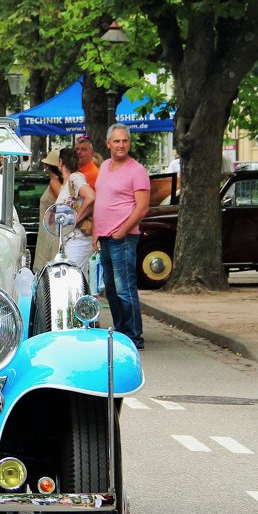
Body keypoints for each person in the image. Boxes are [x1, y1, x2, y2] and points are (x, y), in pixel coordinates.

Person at [93, 124, 150, 350]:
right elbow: (100, 200)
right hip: (105, 236)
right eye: (116, 141)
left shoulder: (137, 170)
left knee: (125, 287)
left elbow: (143, 207)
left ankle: (134, 336)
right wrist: (95, 232)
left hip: (123, 238)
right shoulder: (105, 166)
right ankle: (120, 332)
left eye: (124, 141)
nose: (121, 145)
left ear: (129, 143)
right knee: (111, 288)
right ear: (108, 144)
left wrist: (124, 230)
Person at [55, 146, 95, 275]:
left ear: (60, 162)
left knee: (72, 277)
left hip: (78, 239)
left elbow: (91, 196)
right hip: (69, 240)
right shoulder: (67, 182)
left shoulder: (74, 178)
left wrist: (76, 220)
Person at [33, 149, 63, 270]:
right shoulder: (58, 181)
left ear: (48, 166)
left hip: (51, 231)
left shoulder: (54, 182)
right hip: (50, 229)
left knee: (48, 265)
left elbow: (62, 204)